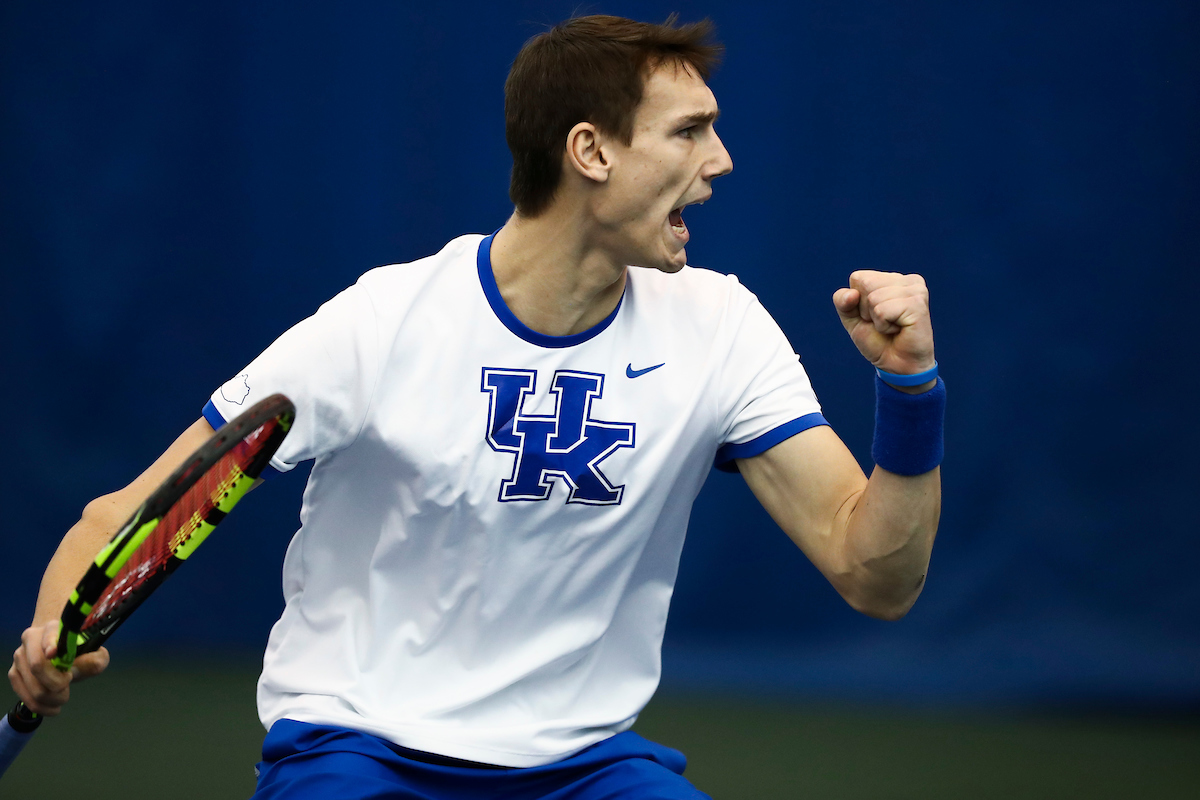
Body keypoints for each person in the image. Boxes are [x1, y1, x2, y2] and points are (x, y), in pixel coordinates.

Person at [9, 14, 943, 799]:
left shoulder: (722, 325)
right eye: (689, 131)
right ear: (590, 150)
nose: (722, 161)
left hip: (584, 766)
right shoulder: (382, 322)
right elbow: (117, 520)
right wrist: (55, 631)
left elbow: (877, 577)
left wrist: (908, 388)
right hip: (359, 750)